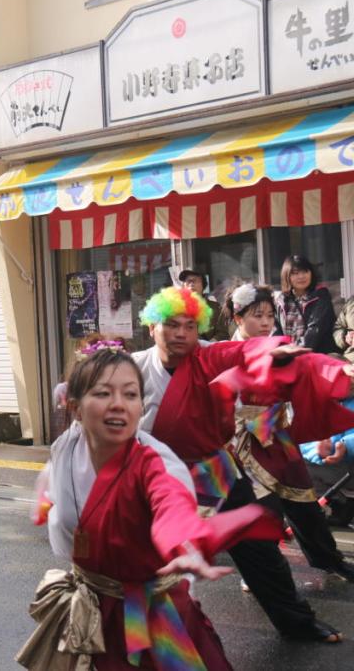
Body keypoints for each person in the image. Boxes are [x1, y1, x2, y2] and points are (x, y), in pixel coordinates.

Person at [18, 346, 283, 670]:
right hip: (91, 602)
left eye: (130, 394)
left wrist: (183, 542)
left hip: (148, 613)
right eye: (103, 393)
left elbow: (171, 504)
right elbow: (54, 483)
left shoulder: (154, 462)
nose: (119, 403)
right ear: (75, 407)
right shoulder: (66, 446)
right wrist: (44, 504)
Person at [131, 285, 354, 643]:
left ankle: (297, 623)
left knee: (260, 550)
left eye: (190, 326)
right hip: (156, 476)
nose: (182, 334)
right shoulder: (134, 368)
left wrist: (274, 351)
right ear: (152, 327)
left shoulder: (208, 355)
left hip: (211, 467)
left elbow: (244, 351)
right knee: (148, 561)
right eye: (172, 325)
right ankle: (142, 638)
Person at [225, 283, 354, 581]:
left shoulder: (279, 347)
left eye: (270, 315)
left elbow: (307, 367)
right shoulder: (224, 352)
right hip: (242, 443)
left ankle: (328, 559)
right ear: (237, 318)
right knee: (263, 511)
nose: (266, 322)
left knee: (305, 503)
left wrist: (337, 371)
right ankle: (260, 573)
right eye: (257, 315)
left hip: (278, 437)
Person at [275, 254, 337, 354]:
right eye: (295, 273)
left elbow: (315, 331)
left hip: (318, 356)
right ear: (287, 276)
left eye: (305, 271)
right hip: (287, 356)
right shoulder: (281, 300)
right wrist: (280, 351)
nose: (301, 276)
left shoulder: (321, 296)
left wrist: (294, 352)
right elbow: (275, 331)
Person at [178, 268, 229, 341]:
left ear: (203, 286)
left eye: (195, 281)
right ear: (183, 286)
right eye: (188, 281)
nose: (191, 284)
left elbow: (223, 333)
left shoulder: (216, 307)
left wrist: (207, 346)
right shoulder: (177, 308)